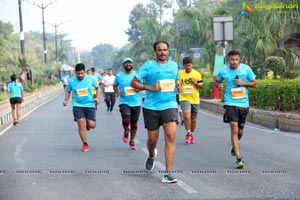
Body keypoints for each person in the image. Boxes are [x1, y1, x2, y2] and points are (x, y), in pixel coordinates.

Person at [131, 40, 181, 183]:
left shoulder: (173, 65)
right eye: (159, 50)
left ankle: (168, 173)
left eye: (165, 50)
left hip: (170, 104)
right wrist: (149, 88)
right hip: (151, 107)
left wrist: (178, 86)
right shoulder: (148, 66)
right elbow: (133, 83)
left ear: (168, 51)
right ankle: (152, 155)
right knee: (152, 140)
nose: (162, 52)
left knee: (170, 137)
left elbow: (176, 80)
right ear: (155, 52)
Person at [216, 50, 256, 169]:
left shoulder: (246, 69)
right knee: (234, 127)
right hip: (230, 103)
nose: (234, 62)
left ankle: (235, 146)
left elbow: (254, 83)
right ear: (228, 60)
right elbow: (217, 81)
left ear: (239, 59)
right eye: (232, 60)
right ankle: (239, 158)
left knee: (240, 131)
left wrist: (243, 83)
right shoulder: (224, 71)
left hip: (243, 104)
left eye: (236, 59)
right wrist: (219, 85)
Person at [63, 63, 100, 152]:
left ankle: (88, 123)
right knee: (80, 124)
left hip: (90, 105)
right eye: (78, 73)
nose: (80, 75)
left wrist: (97, 98)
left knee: (92, 125)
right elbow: (68, 91)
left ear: (84, 72)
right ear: (75, 73)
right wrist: (66, 100)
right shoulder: (72, 81)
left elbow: (98, 88)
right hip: (77, 105)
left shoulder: (91, 78)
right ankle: (85, 144)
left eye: (82, 73)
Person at [113, 57, 142, 150]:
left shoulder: (137, 74)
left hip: (136, 102)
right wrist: (117, 92)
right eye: (126, 63)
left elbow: (142, 85)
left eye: (129, 63)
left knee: (134, 124)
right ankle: (126, 130)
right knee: (126, 120)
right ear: (123, 65)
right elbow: (114, 85)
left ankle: (132, 140)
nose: (128, 64)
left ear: (132, 64)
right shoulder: (119, 76)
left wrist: (138, 88)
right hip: (124, 101)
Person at [179, 57, 203, 144]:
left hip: (195, 99)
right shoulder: (180, 74)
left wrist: (196, 83)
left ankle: (192, 134)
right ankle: (188, 133)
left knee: (193, 118)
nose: (188, 67)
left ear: (192, 65)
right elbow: (176, 84)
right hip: (184, 98)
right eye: (186, 66)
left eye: (189, 65)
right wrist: (178, 87)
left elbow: (201, 86)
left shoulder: (197, 74)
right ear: (183, 66)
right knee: (186, 115)